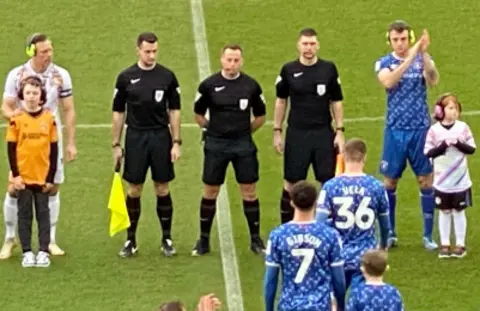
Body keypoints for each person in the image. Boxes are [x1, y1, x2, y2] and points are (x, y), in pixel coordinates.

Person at [0, 33, 76, 259]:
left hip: (50, 139)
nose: (48, 55)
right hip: (24, 140)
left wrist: (71, 141)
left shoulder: (60, 75)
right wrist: (15, 117)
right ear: (31, 52)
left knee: (52, 186)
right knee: (15, 186)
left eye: (50, 50)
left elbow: (68, 108)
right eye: (43, 52)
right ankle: (10, 238)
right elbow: (5, 106)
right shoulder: (17, 75)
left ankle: (50, 240)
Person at [192, 44, 267, 256]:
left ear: (241, 61)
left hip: (243, 144)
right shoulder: (208, 85)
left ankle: (255, 239)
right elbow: (197, 114)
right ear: (221, 60)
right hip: (216, 144)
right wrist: (211, 129)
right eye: (229, 60)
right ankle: (203, 240)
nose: (232, 64)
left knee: (249, 190)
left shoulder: (251, 86)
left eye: (236, 60)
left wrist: (244, 132)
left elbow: (261, 116)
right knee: (210, 190)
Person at [111, 32, 182, 258]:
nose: (151, 55)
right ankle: (131, 239)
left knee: (162, 187)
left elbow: (175, 111)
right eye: (147, 51)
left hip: (161, 136)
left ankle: (167, 238)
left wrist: (176, 141)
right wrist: (116, 143)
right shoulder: (125, 77)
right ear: (138, 50)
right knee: (134, 188)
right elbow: (118, 112)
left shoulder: (167, 77)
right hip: (136, 137)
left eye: (154, 51)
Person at [375, 20, 440, 249]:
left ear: (409, 38)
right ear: (390, 40)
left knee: (425, 180)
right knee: (390, 181)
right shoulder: (384, 63)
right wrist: (411, 57)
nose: (400, 43)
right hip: (395, 130)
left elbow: (433, 80)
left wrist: (424, 56)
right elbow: (389, 81)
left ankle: (427, 236)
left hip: (421, 129)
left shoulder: (420, 57)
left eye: (404, 39)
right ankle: (390, 232)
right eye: (396, 39)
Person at [273, 27, 345, 225]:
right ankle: (287, 226)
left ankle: (328, 227)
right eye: (305, 44)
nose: (308, 48)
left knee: (328, 182)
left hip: (323, 133)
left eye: (312, 44)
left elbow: (336, 101)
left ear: (318, 45)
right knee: (291, 182)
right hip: (297, 133)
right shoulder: (288, 70)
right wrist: (277, 131)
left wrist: (339, 131)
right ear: (298, 45)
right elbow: (281, 101)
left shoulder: (328, 69)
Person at [316, 138, 390, 290]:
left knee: (336, 302)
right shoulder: (376, 186)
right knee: (361, 301)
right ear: (364, 157)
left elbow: (319, 224)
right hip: (366, 258)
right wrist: (382, 246)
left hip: (338, 256)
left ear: (343, 155)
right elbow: (385, 224)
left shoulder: (331, 186)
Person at [264, 181, 346, 311]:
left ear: (292, 202)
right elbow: (339, 280)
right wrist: (341, 306)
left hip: (289, 305)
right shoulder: (330, 235)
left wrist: (269, 308)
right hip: (320, 306)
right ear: (315, 202)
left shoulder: (278, 236)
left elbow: (270, 280)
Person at [6, 76, 58, 267]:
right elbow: (11, 149)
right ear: (22, 95)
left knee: (43, 214)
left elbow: (54, 150)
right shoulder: (17, 119)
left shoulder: (49, 119)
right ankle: (27, 252)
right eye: (28, 92)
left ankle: (43, 251)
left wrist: (51, 177)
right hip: (24, 177)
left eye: (35, 93)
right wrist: (16, 175)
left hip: (42, 177)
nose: (31, 97)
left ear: (41, 96)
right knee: (24, 214)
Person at [424, 93, 475, 259]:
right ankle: (444, 243)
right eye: (450, 108)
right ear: (441, 111)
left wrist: (458, 143)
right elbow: (428, 152)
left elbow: (472, 148)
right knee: (445, 212)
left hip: (461, 180)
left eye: (456, 108)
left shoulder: (463, 127)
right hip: (442, 181)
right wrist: (444, 145)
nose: (454, 112)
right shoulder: (434, 130)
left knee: (459, 211)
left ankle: (460, 243)